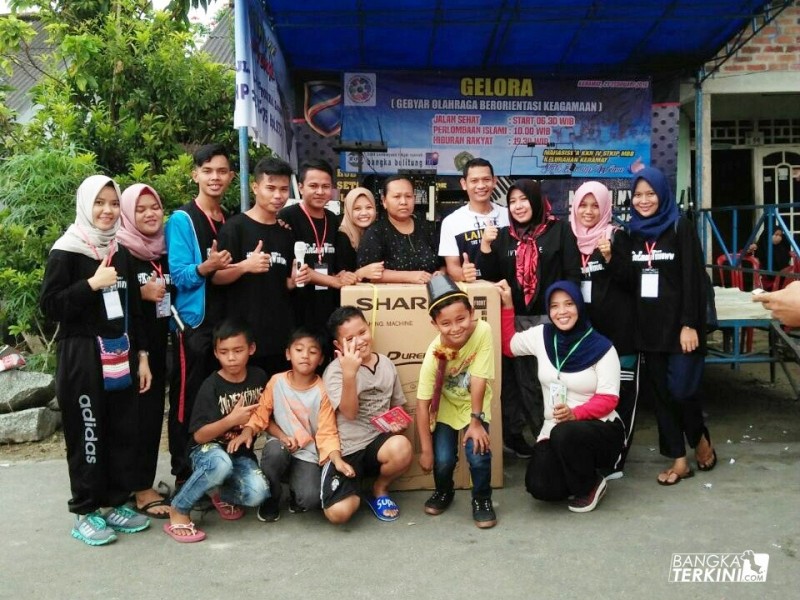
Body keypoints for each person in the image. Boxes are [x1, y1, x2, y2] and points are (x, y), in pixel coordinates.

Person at [41, 175, 152, 545]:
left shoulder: (119, 249)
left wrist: (143, 356)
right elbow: (50, 306)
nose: (107, 210)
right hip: (82, 354)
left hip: (119, 350)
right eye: (99, 203)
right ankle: (86, 510)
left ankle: (116, 500)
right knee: (88, 430)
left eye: (113, 203)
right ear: (86, 205)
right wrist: (90, 284)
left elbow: (133, 308)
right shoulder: (67, 250)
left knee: (122, 427)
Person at [611, 166, 716, 485]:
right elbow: (627, 282)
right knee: (662, 398)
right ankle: (679, 460)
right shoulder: (631, 234)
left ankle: (699, 437)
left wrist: (689, 324)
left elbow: (694, 279)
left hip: (681, 328)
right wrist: (613, 254)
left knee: (682, 390)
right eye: (638, 195)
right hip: (649, 329)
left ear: (662, 195)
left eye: (650, 194)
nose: (643, 201)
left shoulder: (679, 227)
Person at [496, 279, 624, 513]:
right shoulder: (542, 336)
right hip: (555, 428)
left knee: (565, 432)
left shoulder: (602, 348)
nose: (561, 312)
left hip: (599, 428)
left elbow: (609, 399)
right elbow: (509, 346)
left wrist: (574, 414)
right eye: (554, 306)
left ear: (579, 307)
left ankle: (591, 484)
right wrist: (507, 305)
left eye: (569, 304)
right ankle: (578, 472)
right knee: (539, 486)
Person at [476, 179, 581, 458]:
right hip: (514, 318)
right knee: (520, 385)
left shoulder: (560, 231)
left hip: (551, 320)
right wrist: (485, 247)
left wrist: (566, 315)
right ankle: (530, 440)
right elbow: (488, 278)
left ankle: (555, 438)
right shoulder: (502, 236)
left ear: (536, 201)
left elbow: (572, 276)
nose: (518, 206)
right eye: (512, 201)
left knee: (549, 381)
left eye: (524, 199)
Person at [165, 143, 235, 486]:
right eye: (207, 171)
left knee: (220, 398)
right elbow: (177, 274)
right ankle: (184, 472)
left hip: (227, 325)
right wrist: (206, 266)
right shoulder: (182, 219)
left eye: (221, 171)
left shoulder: (231, 217)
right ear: (195, 175)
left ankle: (216, 471)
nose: (215, 177)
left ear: (232, 176)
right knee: (187, 400)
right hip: (193, 324)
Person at [229, 328, 352, 522]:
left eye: (313, 352)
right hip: (280, 444)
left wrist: (336, 459)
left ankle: (295, 490)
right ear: (288, 353)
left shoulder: (322, 391)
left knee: (310, 499)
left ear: (321, 359)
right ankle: (271, 496)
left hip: (307, 453)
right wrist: (248, 431)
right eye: (299, 349)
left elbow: (327, 432)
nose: (305, 356)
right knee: (275, 454)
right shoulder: (277, 381)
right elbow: (261, 413)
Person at [164, 319, 269, 543]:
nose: (231, 358)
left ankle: (221, 493)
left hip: (240, 454)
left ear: (251, 349)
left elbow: (267, 414)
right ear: (216, 353)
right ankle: (179, 508)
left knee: (259, 492)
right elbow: (199, 436)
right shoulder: (211, 385)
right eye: (224, 352)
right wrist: (231, 420)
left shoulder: (259, 377)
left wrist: (249, 429)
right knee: (220, 463)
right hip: (206, 452)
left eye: (238, 350)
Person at [215, 157, 310, 376]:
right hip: (244, 341)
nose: (278, 196)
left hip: (280, 336)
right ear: (255, 187)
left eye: (284, 189)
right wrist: (244, 266)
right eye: (271, 188)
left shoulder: (286, 233)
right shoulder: (235, 228)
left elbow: (281, 284)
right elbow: (216, 278)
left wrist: (294, 281)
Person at [568, 181, 638, 478]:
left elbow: (631, 281)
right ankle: (593, 455)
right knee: (590, 398)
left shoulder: (617, 237)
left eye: (595, 205)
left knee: (620, 397)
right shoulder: (569, 238)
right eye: (583, 205)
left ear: (605, 207)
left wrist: (610, 258)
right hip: (585, 336)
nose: (588, 211)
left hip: (619, 335)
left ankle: (616, 460)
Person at [415, 275, 497, 529]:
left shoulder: (482, 330)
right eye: (446, 323)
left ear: (472, 313)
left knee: (478, 454)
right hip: (446, 406)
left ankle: (482, 499)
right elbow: (422, 404)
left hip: (476, 402)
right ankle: (444, 490)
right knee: (443, 460)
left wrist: (476, 421)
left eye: (461, 319)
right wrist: (426, 450)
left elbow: (479, 377)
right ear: (434, 324)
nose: (456, 328)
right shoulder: (435, 353)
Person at [321, 306, 413, 524]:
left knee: (401, 446)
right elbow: (350, 413)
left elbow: (399, 407)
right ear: (338, 345)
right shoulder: (334, 371)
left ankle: (378, 488)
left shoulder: (386, 364)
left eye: (362, 332)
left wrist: (398, 424)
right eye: (350, 338)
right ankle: (351, 491)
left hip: (377, 443)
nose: (359, 341)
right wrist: (350, 374)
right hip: (348, 450)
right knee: (339, 514)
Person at [117, 183, 173, 518]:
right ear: (128, 214)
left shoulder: (162, 250)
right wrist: (142, 295)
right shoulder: (121, 251)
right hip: (136, 350)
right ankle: (139, 489)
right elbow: (115, 303)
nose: (150, 214)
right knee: (137, 419)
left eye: (155, 207)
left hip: (159, 343)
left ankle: (140, 481)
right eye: (140, 209)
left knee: (152, 418)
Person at [278, 160, 357, 338]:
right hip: (297, 306)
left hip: (327, 306)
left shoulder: (333, 219)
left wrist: (342, 275)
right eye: (313, 186)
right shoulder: (286, 218)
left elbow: (338, 260)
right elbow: (295, 268)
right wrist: (333, 280)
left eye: (326, 186)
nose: (320, 192)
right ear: (300, 187)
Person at [357, 175, 444, 283]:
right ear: (384, 201)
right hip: (391, 298)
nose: (403, 202)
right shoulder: (376, 232)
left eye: (408, 196)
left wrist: (441, 273)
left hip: (431, 295)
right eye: (397, 196)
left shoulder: (427, 228)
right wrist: (409, 276)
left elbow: (443, 264)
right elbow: (368, 274)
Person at [438, 157, 510, 282]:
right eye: (474, 181)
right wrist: (463, 274)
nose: (481, 185)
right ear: (464, 184)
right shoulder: (451, 222)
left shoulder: (509, 216)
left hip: (508, 291)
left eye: (486, 179)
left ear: (494, 181)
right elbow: (452, 267)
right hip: (472, 292)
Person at [335, 186, 385, 281]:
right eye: (357, 209)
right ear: (348, 211)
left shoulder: (378, 233)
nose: (364, 213)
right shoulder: (342, 238)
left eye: (369, 207)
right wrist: (360, 273)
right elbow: (341, 278)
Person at [748, 223, 794, 291]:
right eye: (775, 235)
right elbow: (743, 254)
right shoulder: (762, 246)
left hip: (784, 280)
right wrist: (749, 250)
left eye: (780, 235)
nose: (778, 237)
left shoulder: (783, 247)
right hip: (767, 280)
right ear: (768, 235)